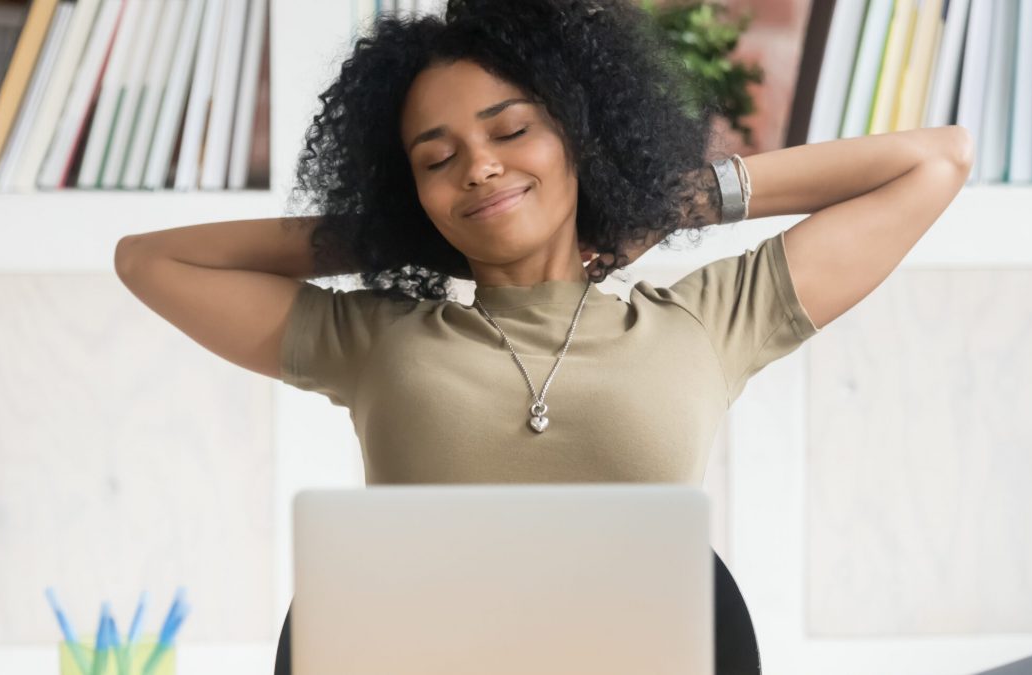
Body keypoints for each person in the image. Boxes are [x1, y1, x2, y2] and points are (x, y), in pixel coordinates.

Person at [113, 0, 973, 672]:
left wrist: (674, 203)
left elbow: (937, 160)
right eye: (435, 159)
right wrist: (383, 233)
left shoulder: (708, 322)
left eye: (511, 129)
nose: (479, 165)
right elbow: (147, 260)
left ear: (577, 138)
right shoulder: (375, 340)